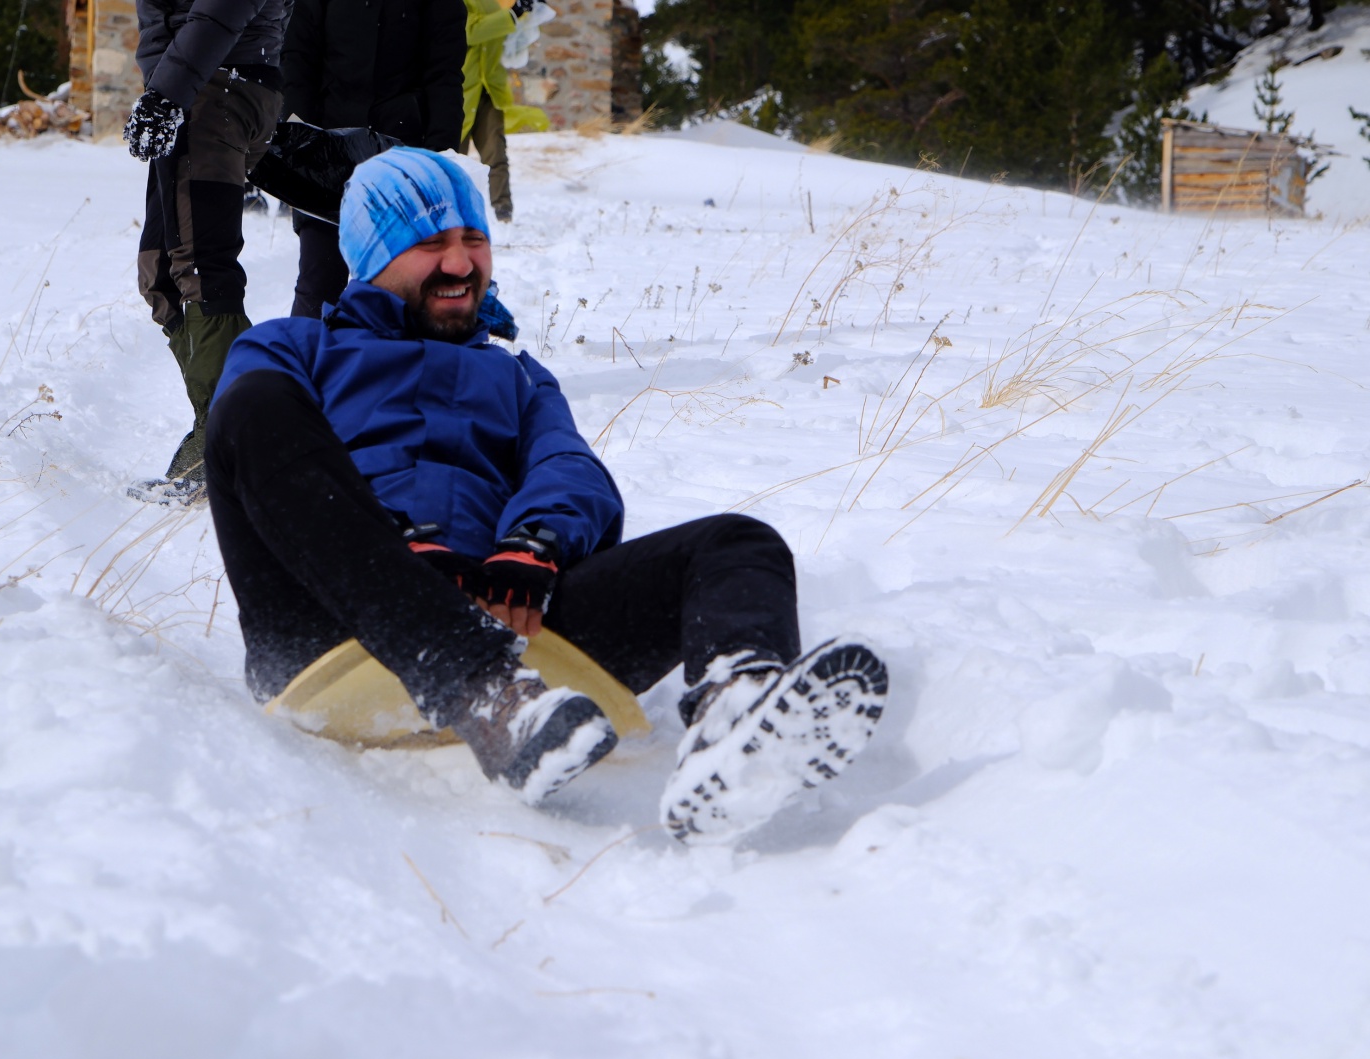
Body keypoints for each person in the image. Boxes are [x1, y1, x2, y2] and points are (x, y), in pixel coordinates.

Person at [204, 147, 889, 844]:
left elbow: (569, 468)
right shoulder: (295, 346)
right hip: (331, 633)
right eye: (429, 243)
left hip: (519, 636)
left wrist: (534, 544)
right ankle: (477, 690)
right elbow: (261, 444)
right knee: (249, 410)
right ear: (371, 256)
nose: (461, 263)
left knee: (737, 544)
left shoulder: (520, 379)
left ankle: (738, 720)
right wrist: (397, 547)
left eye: (474, 240)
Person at [122, 0, 292, 501]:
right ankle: (218, 425)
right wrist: (163, 87)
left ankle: (231, 447)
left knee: (202, 269)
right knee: (160, 274)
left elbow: (222, 10)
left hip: (217, 84)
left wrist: (168, 92)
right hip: (190, 85)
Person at [277, 0, 466, 319]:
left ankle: (393, 365)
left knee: (395, 289)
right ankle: (306, 365)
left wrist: (440, 158)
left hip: (402, 155)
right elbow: (297, 59)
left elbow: (444, 75)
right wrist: (300, 138)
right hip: (326, 154)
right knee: (318, 285)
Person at [458, 0, 548, 223]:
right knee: (452, 158)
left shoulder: (493, 2)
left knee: (496, 154)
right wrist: (513, 14)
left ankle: (503, 213)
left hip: (489, 91)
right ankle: (448, 215)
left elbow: (511, 34)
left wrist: (529, 10)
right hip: (458, 92)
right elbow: (470, 31)